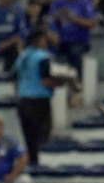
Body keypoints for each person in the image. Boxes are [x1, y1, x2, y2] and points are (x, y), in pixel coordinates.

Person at [15, 28, 69, 165]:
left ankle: (34, 164)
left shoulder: (21, 57)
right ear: (39, 41)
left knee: (30, 140)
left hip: (23, 100)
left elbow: (17, 79)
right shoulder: (42, 56)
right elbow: (45, 80)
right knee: (42, 138)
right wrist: (62, 82)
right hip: (38, 101)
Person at [48, 0, 97, 77]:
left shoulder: (84, 1)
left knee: (74, 52)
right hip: (61, 40)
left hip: (79, 40)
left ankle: (77, 80)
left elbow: (92, 23)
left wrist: (73, 18)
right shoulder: (58, 3)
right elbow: (51, 20)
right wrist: (58, 16)